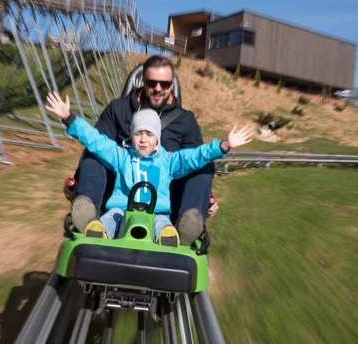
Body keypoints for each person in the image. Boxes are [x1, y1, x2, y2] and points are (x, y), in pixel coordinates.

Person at [46, 91, 254, 246]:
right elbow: (95, 141)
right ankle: (98, 232)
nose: (143, 140)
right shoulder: (122, 156)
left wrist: (224, 145)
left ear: (157, 138)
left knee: (163, 225)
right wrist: (69, 118)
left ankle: (174, 237)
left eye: (149, 134)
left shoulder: (169, 161)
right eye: (138, 134)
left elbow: (195, 156)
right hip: (122, 210)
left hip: (157, 213)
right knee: (111, 218)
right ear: (131, 136)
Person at [67, 55, 218, 246]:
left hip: (165, 194)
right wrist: (77, 183)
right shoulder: (118, 109)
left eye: (164, 84)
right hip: (121, 188)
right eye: (152, 82)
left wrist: (206, 199)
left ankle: (187, 224)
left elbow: (196, 157)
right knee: (95, 153)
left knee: (203, 165)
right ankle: (89, 215)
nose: (158, 89)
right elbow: (96, 142)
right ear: (143, 82)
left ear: (171, 85)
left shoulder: (185, 120)